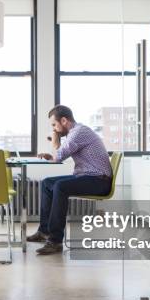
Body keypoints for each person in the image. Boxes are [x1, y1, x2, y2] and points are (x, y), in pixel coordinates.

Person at [28, 105, 112, 255]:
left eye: (54, 125)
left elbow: (60, 155)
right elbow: (58, 157)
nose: (54, 129)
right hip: (87, 176)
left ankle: (55, 241)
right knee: (48, 183)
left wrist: (55, 140)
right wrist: (51, 156)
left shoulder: (79, 132)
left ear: (64, 120)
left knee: (60, 186)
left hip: (99, 180)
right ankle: (44, 231)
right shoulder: (75, 133)